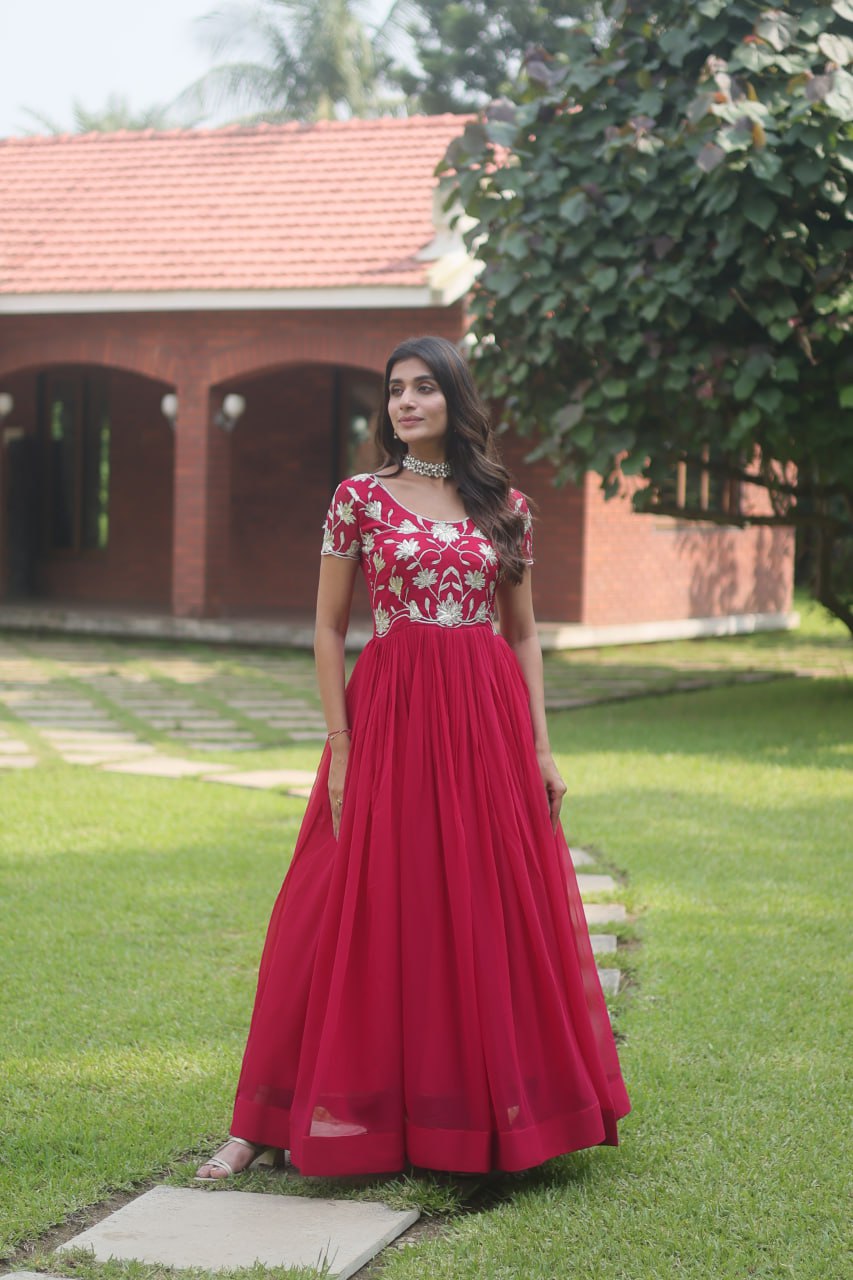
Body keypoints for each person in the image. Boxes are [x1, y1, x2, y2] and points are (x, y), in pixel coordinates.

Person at [196, 335, 630, 1181]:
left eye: (424, 388)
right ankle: (265, 1118)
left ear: (454, 400)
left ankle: (482, 1115)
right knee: (338, 897)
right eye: (395, 389)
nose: (405, 402)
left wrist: (541, 748)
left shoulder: (505, 507)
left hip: (485, 721)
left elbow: (523, 635)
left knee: (480, 902)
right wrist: (340, 744)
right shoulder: (358, 498)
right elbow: (327, 628)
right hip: (390, 713)